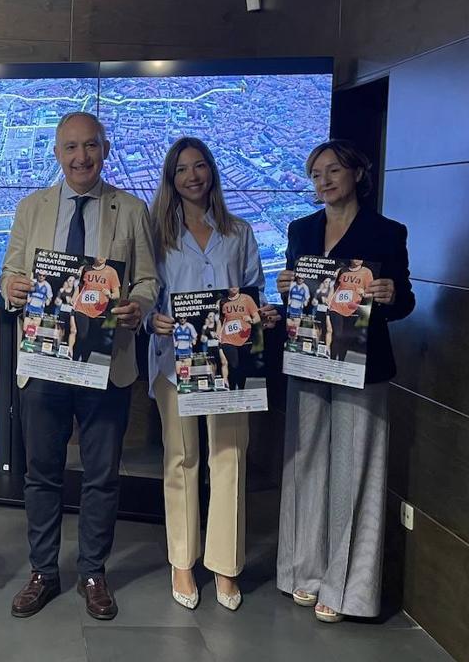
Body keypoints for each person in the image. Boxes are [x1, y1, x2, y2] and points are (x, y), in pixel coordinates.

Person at [1, 111, 158, 621]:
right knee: (42, 474)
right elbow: (12, 273)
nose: (80, 157)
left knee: (101, 477)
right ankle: (44, 572)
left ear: (105, 149)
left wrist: (138, 305)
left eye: (90, 146)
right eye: (70, 147)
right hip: (45, 363)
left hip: (105, 365)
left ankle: (94, 572)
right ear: (56, 152)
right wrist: (13, 288)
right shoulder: (32, 207)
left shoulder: (132, 208)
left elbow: (149, 281)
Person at [275, 139, 414, 623]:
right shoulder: (300, 229)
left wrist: (390, 292)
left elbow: (405, 303)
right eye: (316, 174)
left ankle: (347, 586)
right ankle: (303, 571)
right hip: (310, 359)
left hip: (363, 365)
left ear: (357, 173)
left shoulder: (386, 232)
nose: (325, 180)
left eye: (334, 170)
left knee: (355, 472)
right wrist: (288, 285)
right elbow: (297, 292)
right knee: (306, 463)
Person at [146, 137, 279, 611]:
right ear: (171, 178)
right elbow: (146, 294)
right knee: (181, 460)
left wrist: (262, 314)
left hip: (232, 361)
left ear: (212, 172)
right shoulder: (155, 232)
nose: (193, 176)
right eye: (182, 169)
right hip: (172, 360)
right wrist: (152, 319)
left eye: (200, 166)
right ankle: (182, 561)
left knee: (229, 457)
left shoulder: (238, 231)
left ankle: (226, 565)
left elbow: (254, 291)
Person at [327, 259, 375, 362]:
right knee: (337, 335)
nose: (358, 260)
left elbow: (371, 293)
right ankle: (332, 362)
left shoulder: (366, 272)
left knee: (345, 338)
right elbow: (334, 287)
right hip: (336, 308)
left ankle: (341, 363)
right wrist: (329, 300)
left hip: (353, 310)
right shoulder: (342, 270)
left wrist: (364, 294)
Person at [216, 286, 262, 391]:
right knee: (233, 365)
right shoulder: (223, 302)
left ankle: (242, 392)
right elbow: (221, 320)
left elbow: (257, 317)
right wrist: (218, 333)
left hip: (245, 339)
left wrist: (251, 320)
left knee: (242, 367)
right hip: (228, 340)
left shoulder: (247, 299)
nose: (233, 287)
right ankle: (232, 391)